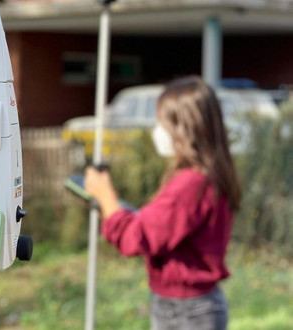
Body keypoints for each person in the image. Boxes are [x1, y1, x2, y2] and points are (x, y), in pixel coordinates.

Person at [84, 76, 240, 330]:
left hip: (187, 312)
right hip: (188, 306)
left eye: (162, 123)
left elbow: (136, 236)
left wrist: (106, 197)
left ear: (185, 129)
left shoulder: (191, 184)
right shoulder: (207, 175)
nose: (156, 131)